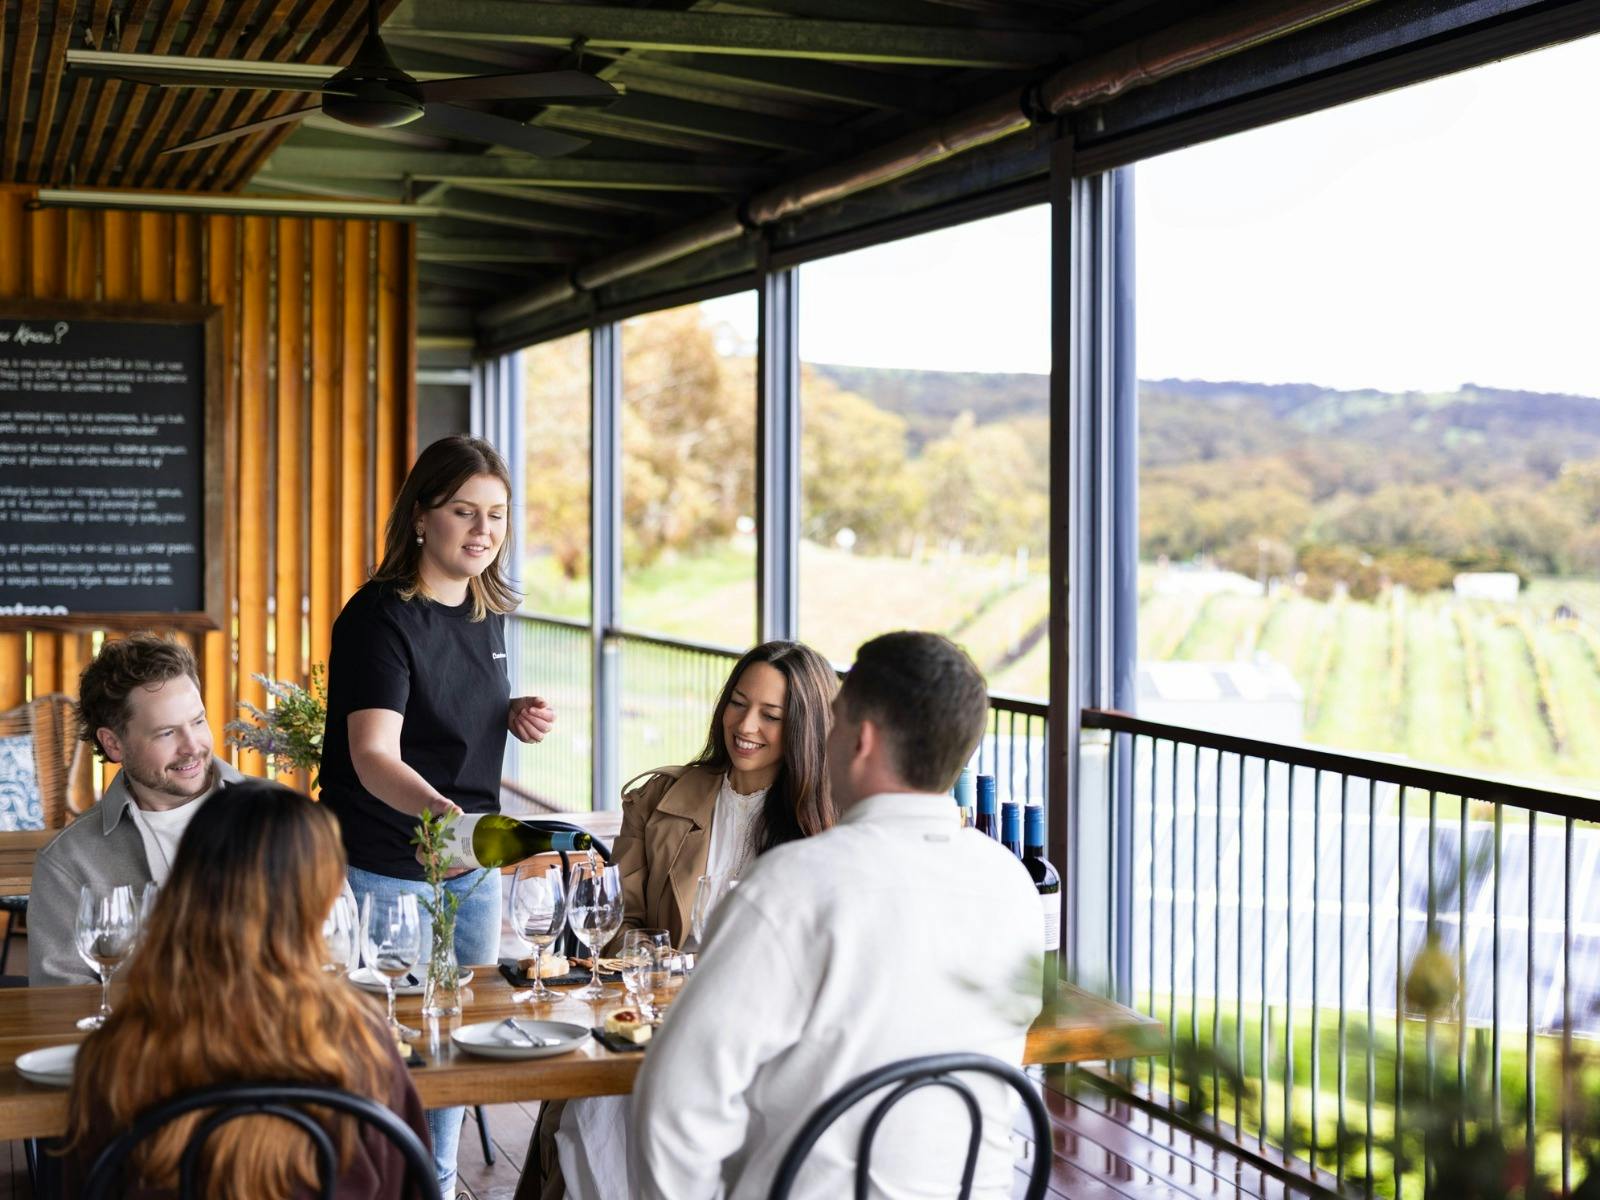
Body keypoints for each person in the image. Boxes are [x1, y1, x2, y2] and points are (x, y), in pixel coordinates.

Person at [632, 631, 1045, 1200]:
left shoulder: (792, 885)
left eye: (834, 719)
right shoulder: (1012, 885)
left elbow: (677, 1101)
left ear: (862, 739)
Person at [318, 434, 554, 1196]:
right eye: (464, 511)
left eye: (497, 515)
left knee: (458, 1051)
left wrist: (507, 712)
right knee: (393, 1052)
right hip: (391, 863)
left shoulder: (485, 611)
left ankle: (440, 1184)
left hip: (471, 864)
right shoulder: (378, 617)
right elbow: (373, 755)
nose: (483, 530)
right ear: (422, 515)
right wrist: (446, 819)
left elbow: (444, 711)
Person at [519, 639, 838, 1200]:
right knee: (602, 1115)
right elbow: (618, 922)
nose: (746, 726)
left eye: (772, 715)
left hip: (768, 1042)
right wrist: (659, 962)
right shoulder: (662, 798)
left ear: (806, 728)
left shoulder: (828, 825)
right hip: (659, 1024)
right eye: (738, 703)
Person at [62, 781, 431, 1199]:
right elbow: (410, 1186)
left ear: (188, 887)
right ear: (318, 901)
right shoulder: (363, 1042)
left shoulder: (115, 1053)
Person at [30, 634, 246, 988]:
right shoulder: (69, 862)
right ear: (113, 743)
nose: (192, 747)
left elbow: (333, 951)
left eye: (197, 721)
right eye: (166, 733)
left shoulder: (285, 815)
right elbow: (59, 1001)